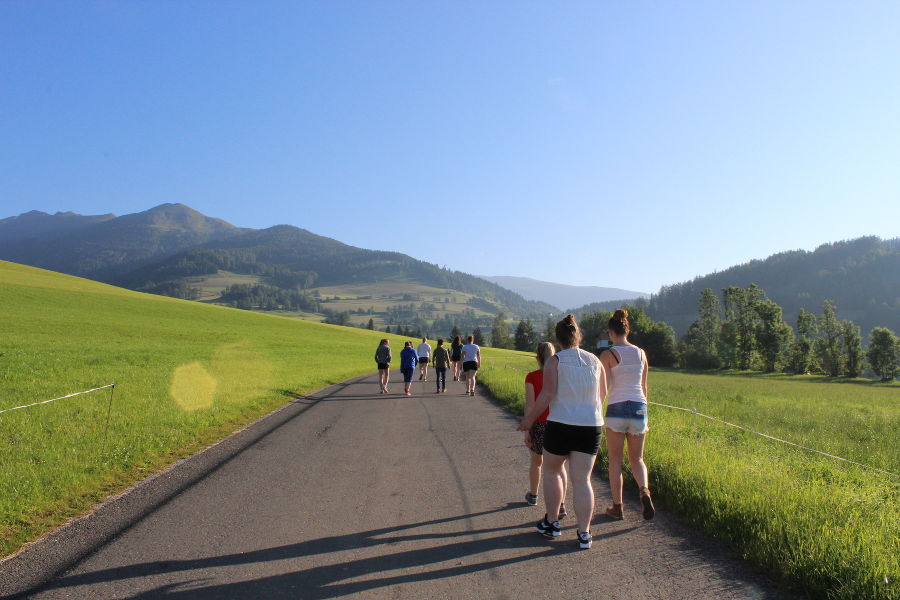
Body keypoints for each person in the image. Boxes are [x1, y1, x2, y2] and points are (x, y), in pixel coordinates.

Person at [518, 314, 606, 550]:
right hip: (590, 426)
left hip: (560, 424)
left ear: (558, 338)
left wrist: (529, 419)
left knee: (553, 471)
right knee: (582, 479)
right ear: (578, 335)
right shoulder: (595, 361)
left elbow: (547, 395)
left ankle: (552, 521)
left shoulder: (555, 361)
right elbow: (602, 395)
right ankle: (584, 533)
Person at [599, 309, 655, 521]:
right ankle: (644, 491)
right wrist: (644, 413)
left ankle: (618, 506)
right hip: (639, 407)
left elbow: (603, 389)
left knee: (615, 460)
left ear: (611, 332)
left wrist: (597, 410)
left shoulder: (608, 354)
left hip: (617, 407)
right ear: (627, 330)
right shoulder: (641, 353)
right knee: (637, 459)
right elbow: (645, 387)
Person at [524, 342, 568, 519]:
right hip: (559, 423)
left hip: (540, 424)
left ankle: (533, 495)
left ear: (537, 358)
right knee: (559, 467)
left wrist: (527, 428)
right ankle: (562, 503)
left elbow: (530, 405)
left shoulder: (532, 377)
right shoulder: (562, 376)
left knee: (537, 462)